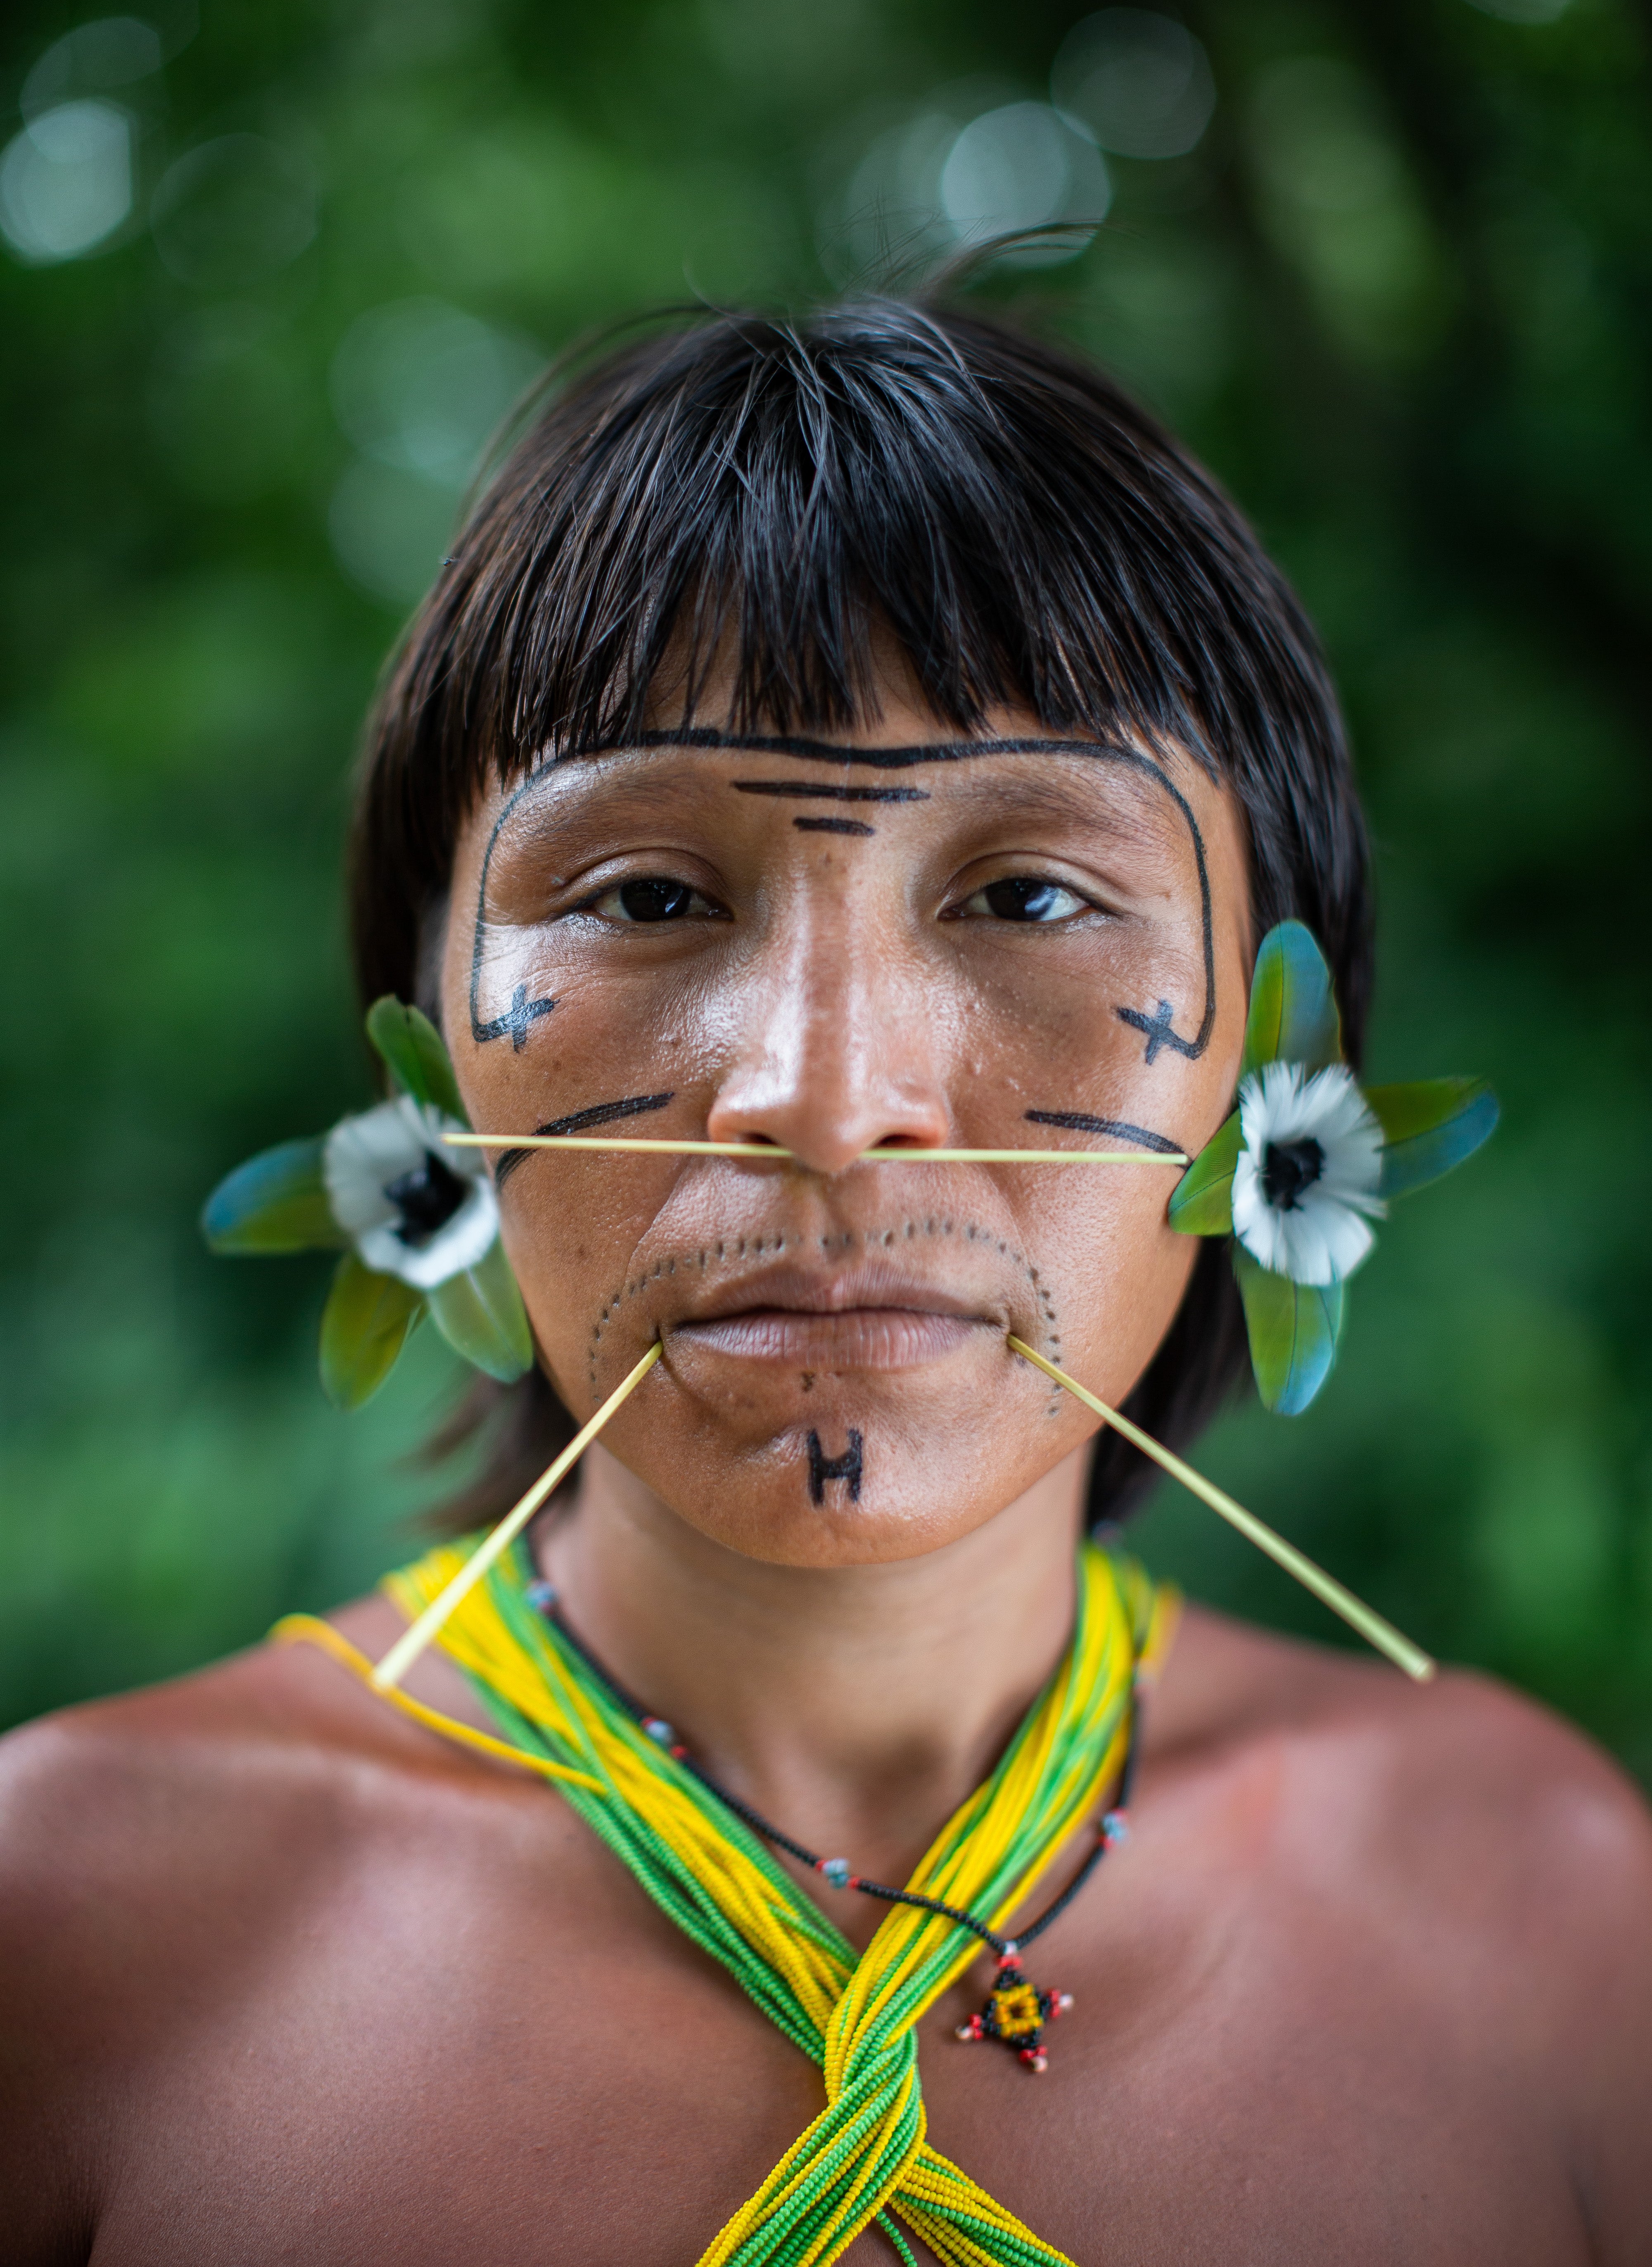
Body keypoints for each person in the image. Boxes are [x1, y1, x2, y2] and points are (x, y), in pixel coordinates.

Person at [2, 302, 1648, 2265]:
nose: (834, 1099)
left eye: (1029, 894)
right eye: (645, 898)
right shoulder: (73, 1932)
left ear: (1276, 1075)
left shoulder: (1544, 1916)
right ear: (424, 1054)